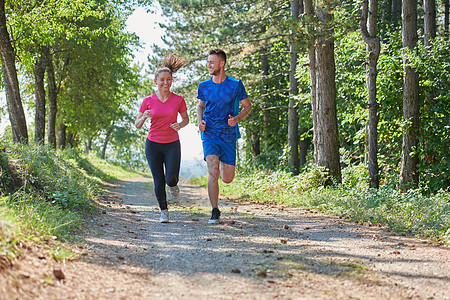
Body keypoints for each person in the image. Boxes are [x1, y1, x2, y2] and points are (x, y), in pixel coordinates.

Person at [197, 49, 252, 224]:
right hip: (210, 134)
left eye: (212, 62)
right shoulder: (204, 86)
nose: (208, 65)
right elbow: (200, 107)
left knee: (227, 178)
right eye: (208, 62)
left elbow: (247, 106)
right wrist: (200, 122)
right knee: (213, 171)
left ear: (222, 63)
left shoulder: (235, 85)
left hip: (228, 136)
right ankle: (215, 210)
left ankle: (222, 162)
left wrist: (236, 119)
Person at [135, 54, 189, 223]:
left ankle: (173, 185)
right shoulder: (148, 101)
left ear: (172, 81)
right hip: (153, 145)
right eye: (162, 80)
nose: (166, 83)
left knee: (170, 178)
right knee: (158, 180)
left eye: (169, 80)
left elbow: (186, 119)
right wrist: (144, 117)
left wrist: (180, 125)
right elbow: (137, 124)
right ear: (155, 82)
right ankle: (164, 211)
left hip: (172, 144)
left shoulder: (178, 100)